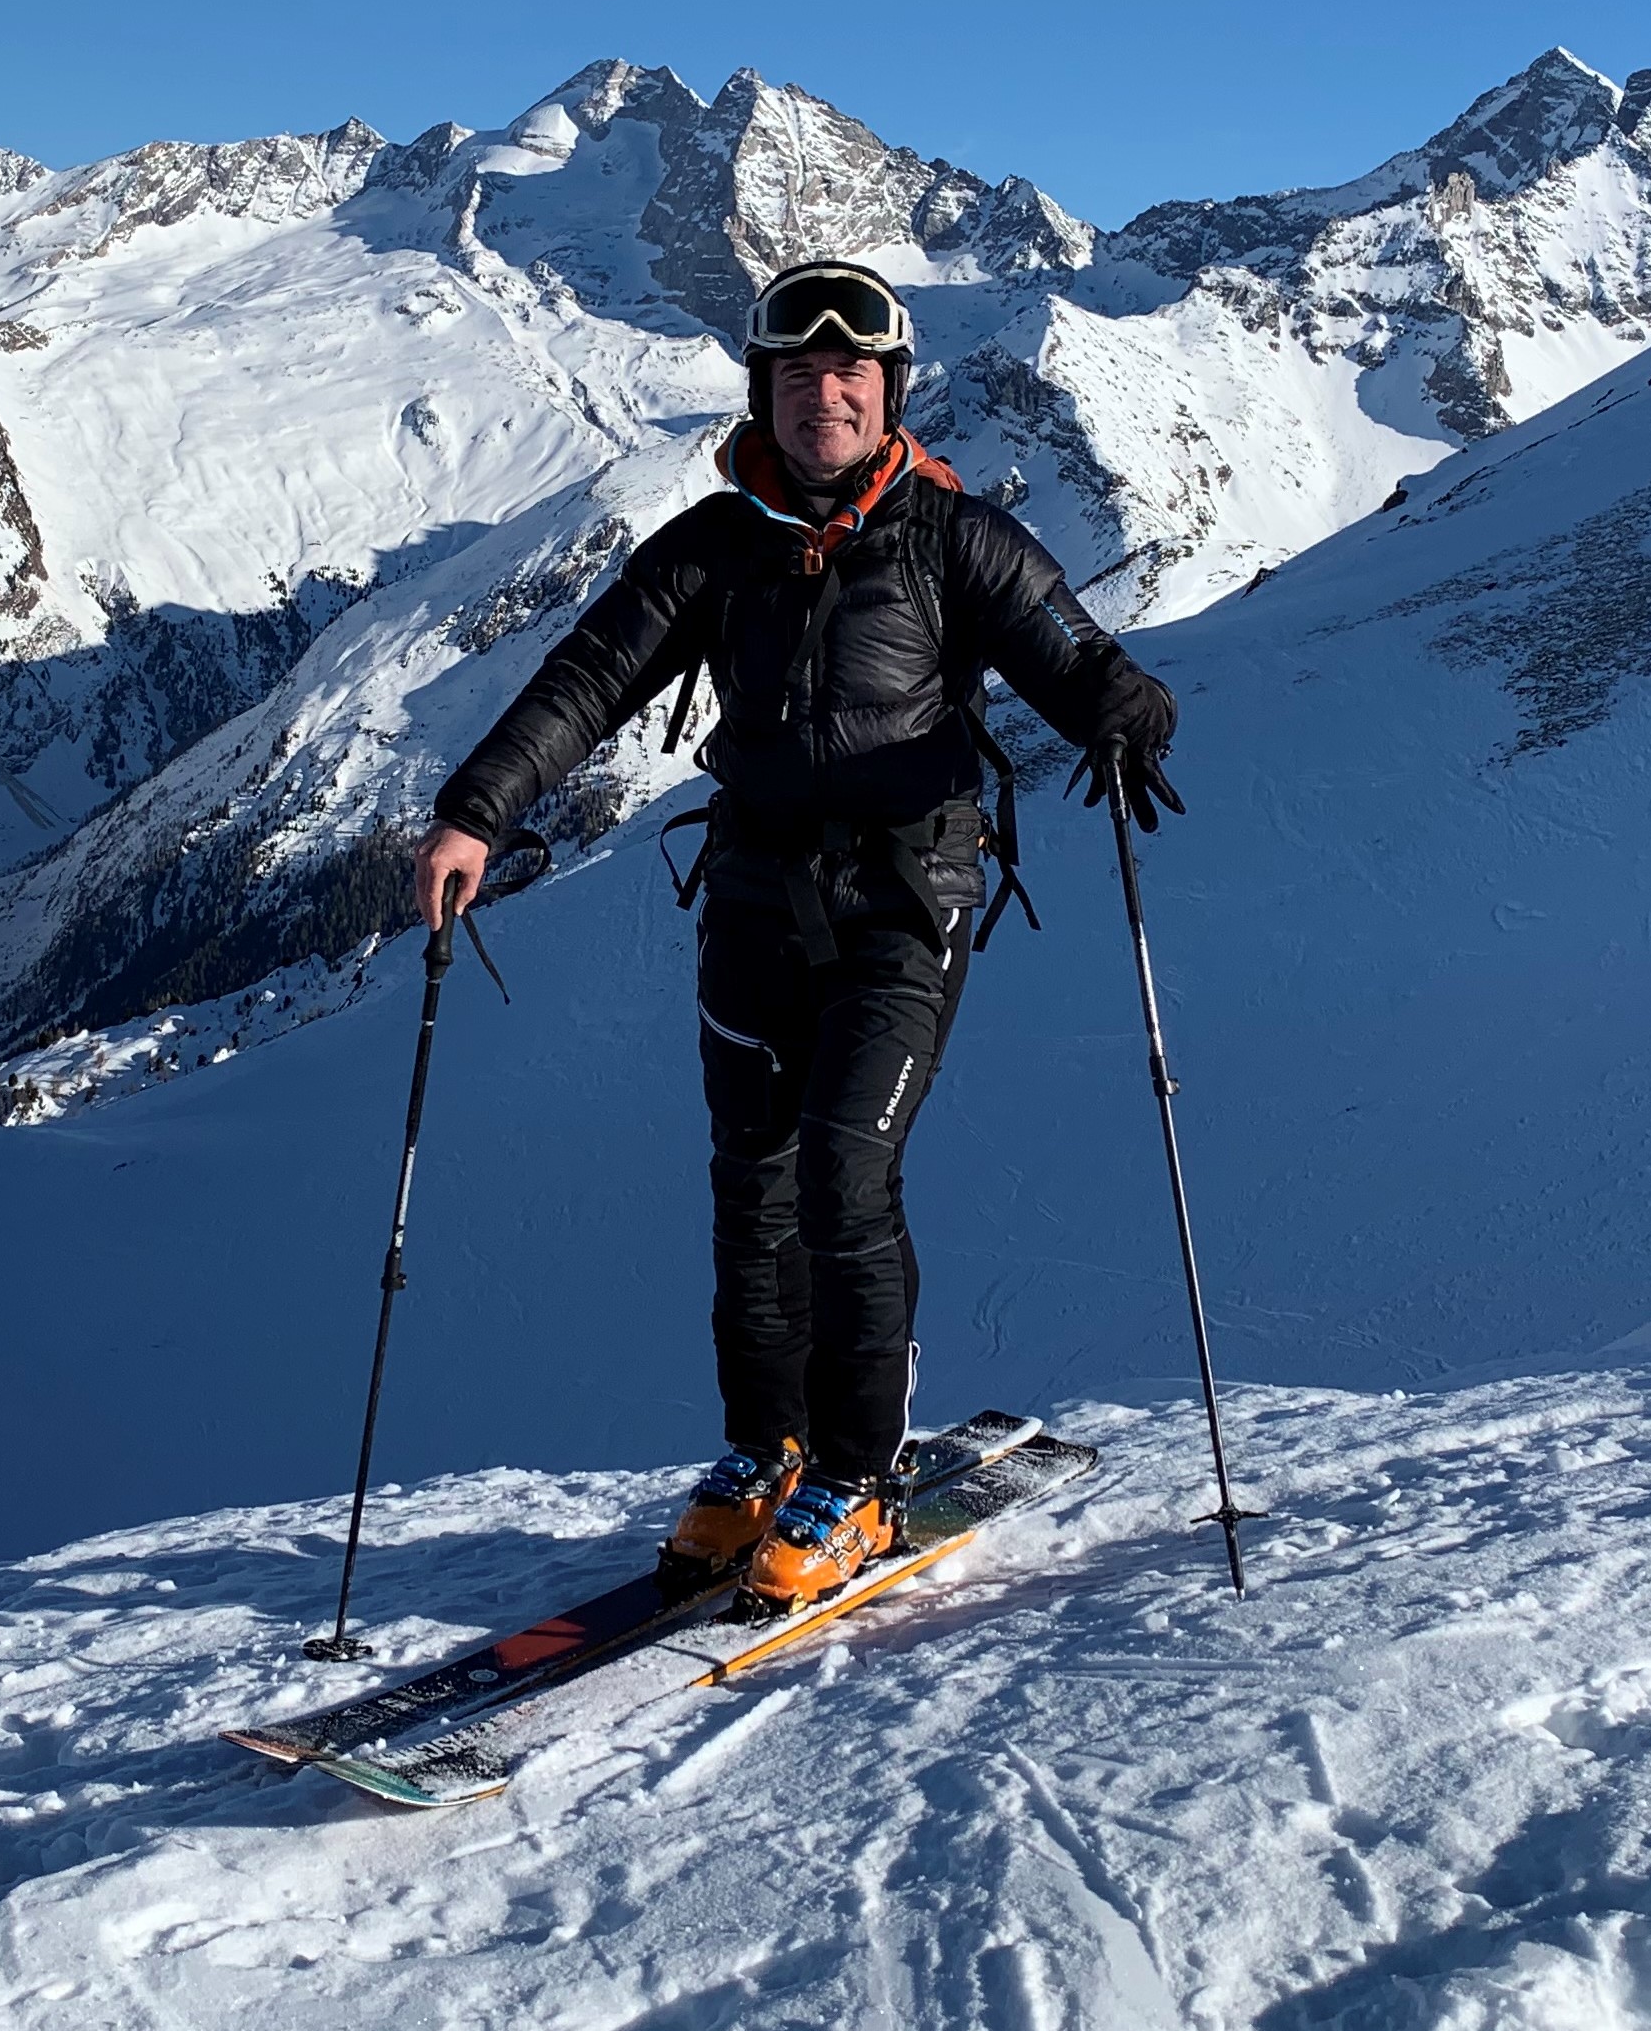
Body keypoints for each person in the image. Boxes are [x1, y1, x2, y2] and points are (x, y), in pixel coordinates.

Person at [416, 258, 1182, 1609]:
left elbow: (1089, 668)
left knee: (841, 1169)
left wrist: (1128, 721)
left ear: (888, 394)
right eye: (797, 375)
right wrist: (480, 808)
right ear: (763, 393)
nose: (824, 395)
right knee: (750, 1186)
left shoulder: (960, 541)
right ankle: (761, 1451)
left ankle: (854, 1475)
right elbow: (589, 679)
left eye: (850, 375)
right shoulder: (712, 548)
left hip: (907, 902)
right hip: (757, 901)